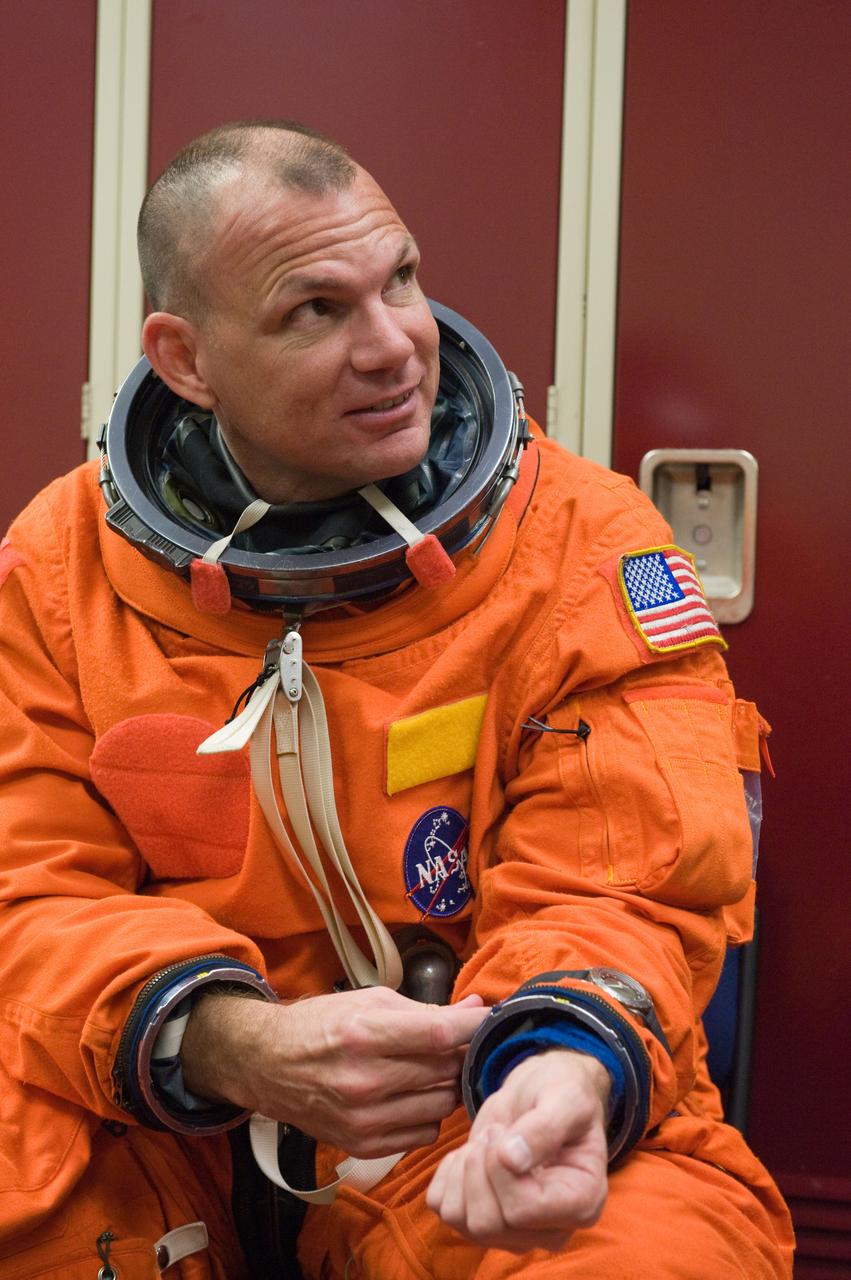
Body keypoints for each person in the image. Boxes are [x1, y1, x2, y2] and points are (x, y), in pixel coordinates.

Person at [0, 120, 793, 1279]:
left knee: (643, 1249)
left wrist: (557, 1071)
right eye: (313, 310)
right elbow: (27, 888)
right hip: (152, 1111)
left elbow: (631, 873)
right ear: (184, 358)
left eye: (402, 279)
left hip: (474, 1088)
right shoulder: (63, 567)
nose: (395, 346)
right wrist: (226, 1038)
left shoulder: (581, 542)